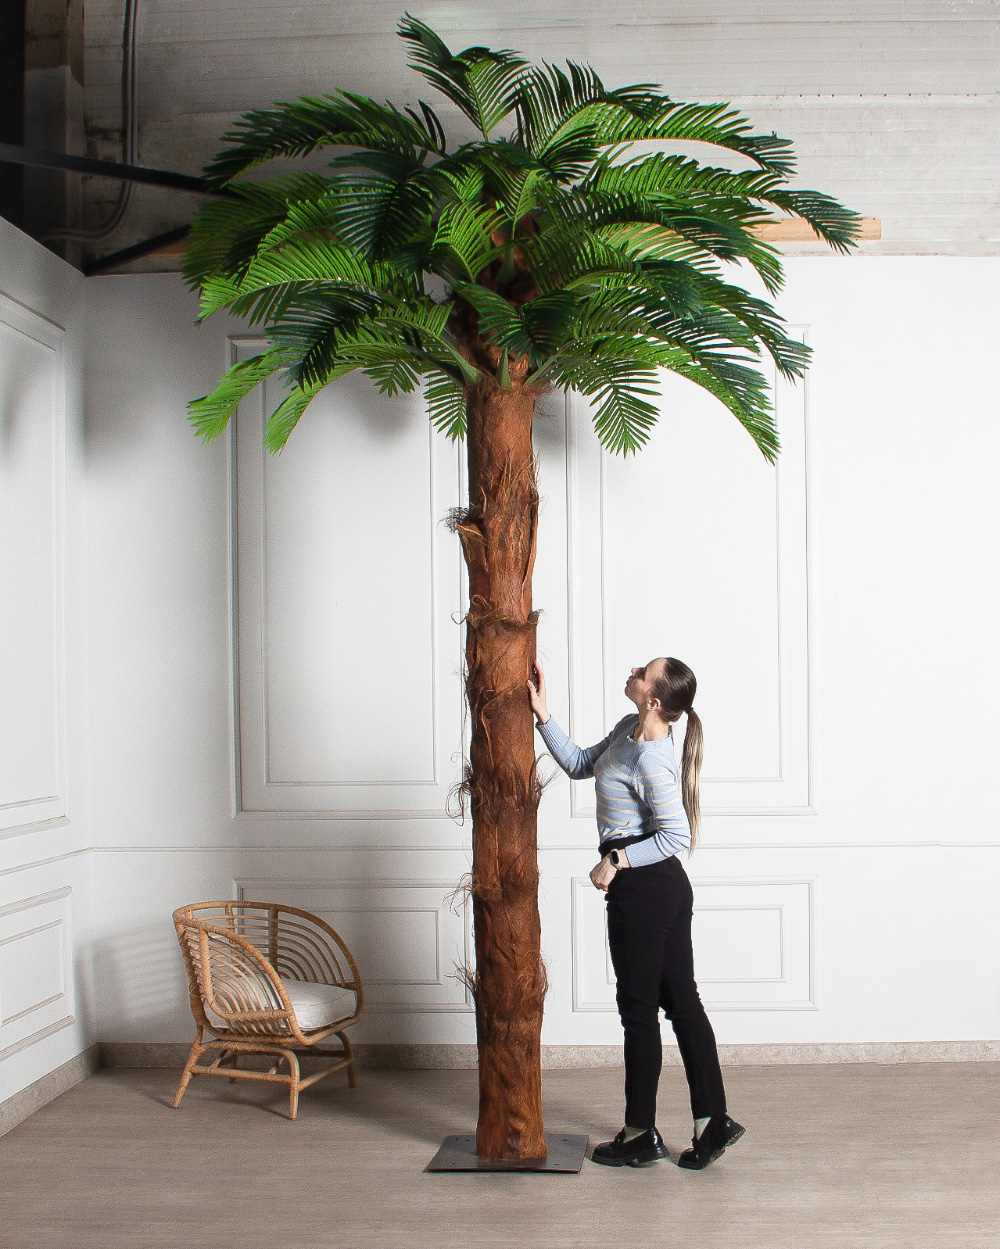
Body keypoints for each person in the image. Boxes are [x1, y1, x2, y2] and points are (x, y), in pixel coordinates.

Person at [526, 655, 745, 1170]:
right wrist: (543, 714)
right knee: (680, 1003)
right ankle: (711, 1123)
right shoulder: (629, 728)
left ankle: (640, 1133)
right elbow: (581, 763)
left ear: (653, 698)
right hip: (659, 890)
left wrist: (617, 860)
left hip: (647, 889)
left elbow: (675, 835)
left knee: (640, 1011)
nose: (633, 670)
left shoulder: (653, 759)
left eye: (642, 672)